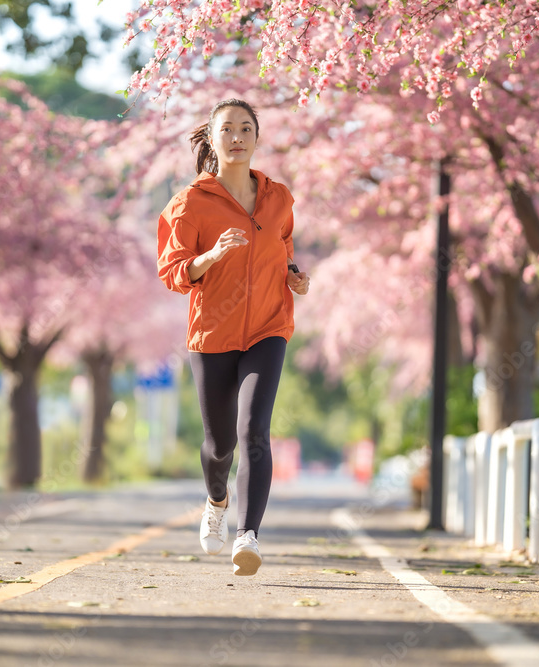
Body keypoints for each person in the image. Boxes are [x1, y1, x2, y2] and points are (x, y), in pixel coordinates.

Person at [156, 99, 309, 576]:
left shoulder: (278, 197)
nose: (237, 136)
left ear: (258, 138)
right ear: (213, 137)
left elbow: (282, 246)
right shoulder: (189, 203)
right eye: (228, 129)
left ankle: (249, 535)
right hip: (212, 334)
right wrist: (212, 256)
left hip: (268, 328)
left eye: (246, 128)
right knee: (220, 444)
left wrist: (293, 276)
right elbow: (173, 272)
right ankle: (216, 499)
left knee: (253, 432)